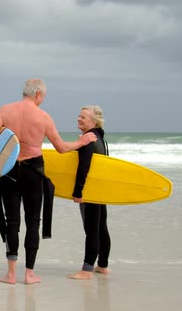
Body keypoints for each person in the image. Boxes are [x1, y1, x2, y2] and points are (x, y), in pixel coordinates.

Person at [0, 79, 97, 285]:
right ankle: (29, 274)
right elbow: (61, 147)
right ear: (38, 94)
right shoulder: (43, 117)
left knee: (12, 221)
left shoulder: (5, 110)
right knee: (33, 222)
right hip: (34, 173)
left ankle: (11, 274)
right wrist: (82, 141)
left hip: (10, 171)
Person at [68, 105, 111, 280]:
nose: (79, 119)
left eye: (83, 117)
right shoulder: (100, 138)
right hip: (100, 189)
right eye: (79, 115)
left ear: (93, 121)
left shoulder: (88, 139)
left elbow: (83, 167)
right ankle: (102, 265)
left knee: (92, 229)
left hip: (90, 190)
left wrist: (77, 191)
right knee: (101, 228)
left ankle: (86, 270)